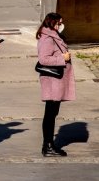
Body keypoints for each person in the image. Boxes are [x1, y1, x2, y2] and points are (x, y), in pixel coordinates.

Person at [36, 13, 75, 157]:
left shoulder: (53, 35)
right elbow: (43, 59)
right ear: (53, 23)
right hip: (52, 81)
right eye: (59, 23)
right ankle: (48, 146)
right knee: (50, 114)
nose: (61, 25)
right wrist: (62, 58)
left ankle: (49, 145)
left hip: (56, 81)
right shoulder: (48, 38)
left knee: (52, 114)